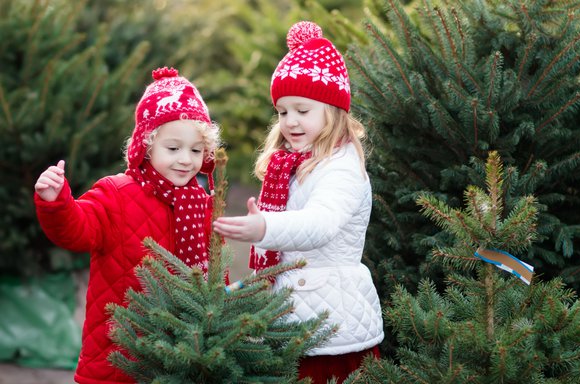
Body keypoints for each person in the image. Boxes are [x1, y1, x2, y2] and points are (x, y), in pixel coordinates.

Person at [213, 21, 384, 383]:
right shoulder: (292, 164)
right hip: (295, 318)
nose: (290, 121)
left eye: (302, 110)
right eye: (282, 111)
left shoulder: (342, 168)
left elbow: (320, 225)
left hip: (333, 329)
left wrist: (265, 228)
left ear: (332, 110)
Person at [34, 67, 222, 384]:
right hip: (120, 354)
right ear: (146, 146)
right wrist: (57, 202)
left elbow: (215, 271)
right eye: (173, 148)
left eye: (195, 150)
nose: (186, 160)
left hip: (183, 356)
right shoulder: (117, 193)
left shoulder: (200, 202)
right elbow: (77, 229)